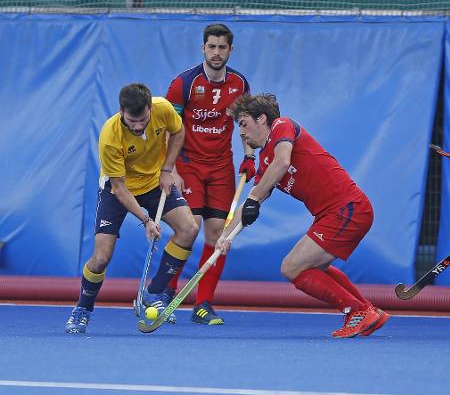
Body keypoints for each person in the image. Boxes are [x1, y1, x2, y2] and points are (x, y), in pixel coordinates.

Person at [216, 93, 389, 338]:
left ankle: (358, 311)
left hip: (347, 208)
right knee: (310, 267)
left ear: (262, 119)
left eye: (243, 124)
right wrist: (225, 237)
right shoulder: (266, 162)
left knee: (292, 267)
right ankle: (367, 311)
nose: (241, 133)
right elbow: (252, 199)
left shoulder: (281, 126)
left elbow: (283, 162)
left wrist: (255, 198)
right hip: (334, 214)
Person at [65, 83, 199, 334]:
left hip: (153, 184)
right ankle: (83, 309)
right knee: (101, 258)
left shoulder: (164, 109)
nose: (137, 126)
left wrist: (168, 169)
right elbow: (120, 188)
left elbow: (178, 133)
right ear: (121, 111)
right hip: (119, 190)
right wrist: (146, 219)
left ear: (150, 108)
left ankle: (154, 292)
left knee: (189, 228)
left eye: (142, 119)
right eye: (131, 120)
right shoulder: (110, 135)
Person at [164, 23, 255, 325]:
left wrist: (250, 155)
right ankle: (167, 293)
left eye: (222, 47)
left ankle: (203, 304)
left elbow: (246, 123)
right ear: (202, 48)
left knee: (219, 234)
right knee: (189, 227)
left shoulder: (240, 84)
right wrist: (171, 168)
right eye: (211, 47)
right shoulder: (184, 84)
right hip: (188, 163)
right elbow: (169, 128)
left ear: (230, 50)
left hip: (220, 167)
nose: (216, 53)